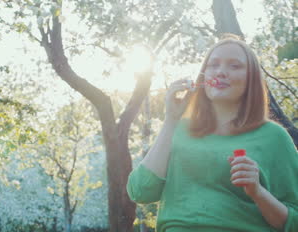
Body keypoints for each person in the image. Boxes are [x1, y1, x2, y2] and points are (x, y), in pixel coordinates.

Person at [126, 35, 297, 232]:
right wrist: (171, 120)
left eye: (235, 66)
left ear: (252, 80)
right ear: (203, 75)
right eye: (213, 65)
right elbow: (141, 192)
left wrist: (258, 192)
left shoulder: (274, 137)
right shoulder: (178, 130)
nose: (221, 72)